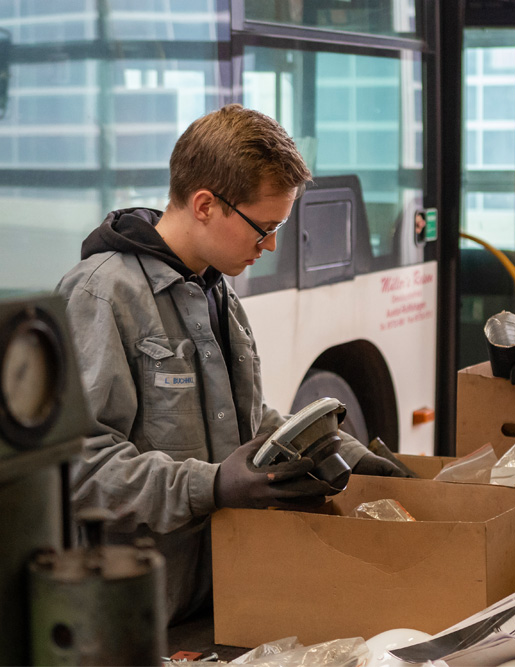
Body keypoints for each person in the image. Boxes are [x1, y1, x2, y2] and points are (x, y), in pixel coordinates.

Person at [56, 104, 405, 625]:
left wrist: (333, 446)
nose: (270, 246)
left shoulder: (215, 289)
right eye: (263, 228)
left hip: (222, 596)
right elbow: (79, 469)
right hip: (136, 617)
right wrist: (213, 486)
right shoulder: (102, 296)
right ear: (203, 204)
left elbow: (245, 416)